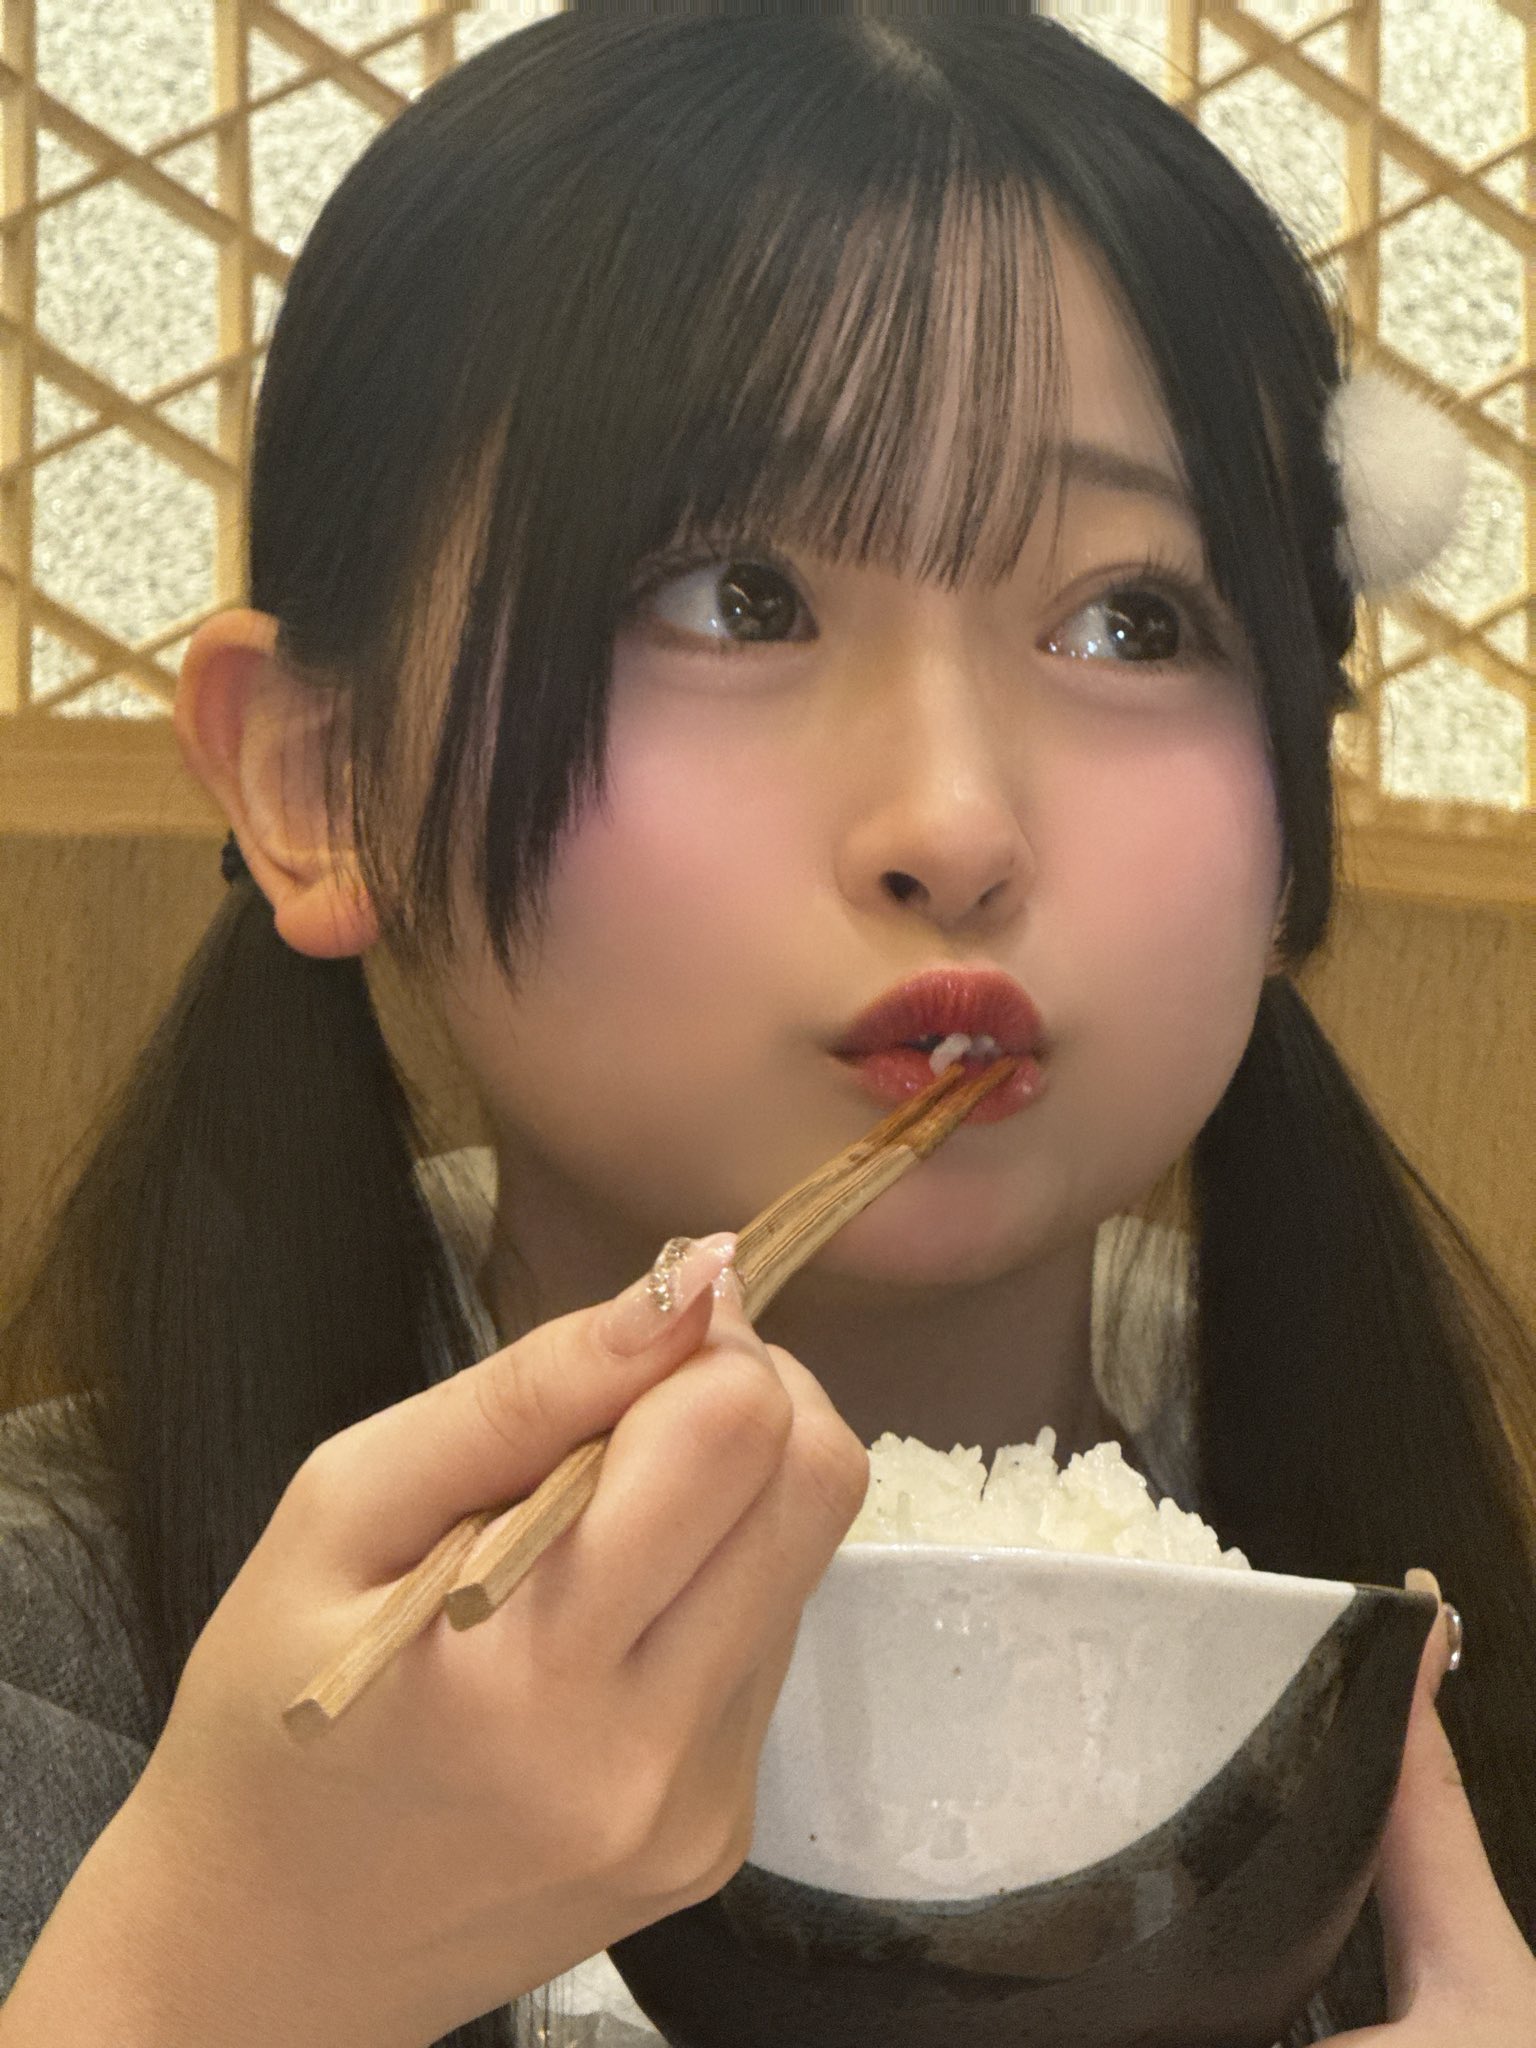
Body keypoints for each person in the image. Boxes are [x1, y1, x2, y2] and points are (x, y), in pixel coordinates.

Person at [1, 5, 1532, 2045]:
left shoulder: (1455, 1608)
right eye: (738, 596)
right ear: (320, 780)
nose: (957, 825)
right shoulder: (50, 1651)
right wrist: (211, 1970)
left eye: (1132, 620)